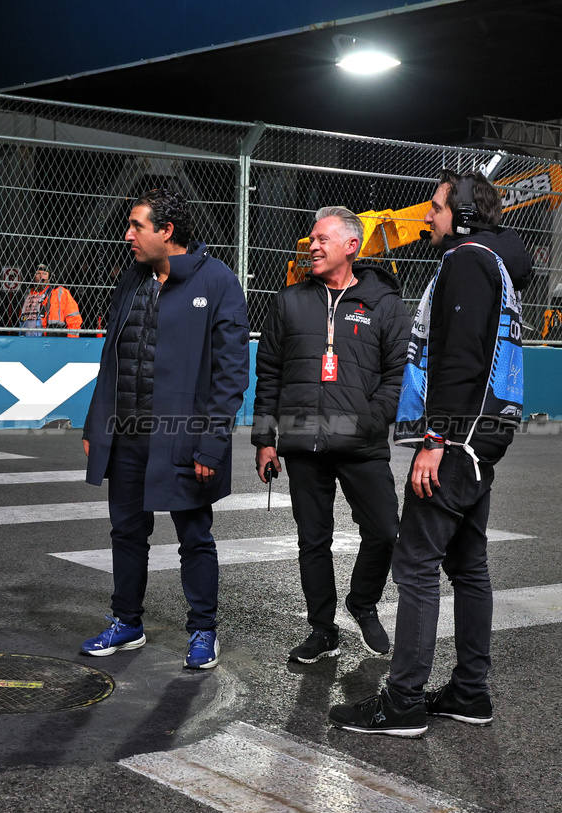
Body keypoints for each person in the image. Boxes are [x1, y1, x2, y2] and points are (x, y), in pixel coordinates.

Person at [329, 170, 530, 736]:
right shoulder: (495, 262)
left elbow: (458, 357)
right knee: (468, 566)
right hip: (484, 435)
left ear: (463, 213)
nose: (430, 217)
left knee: (414, 563)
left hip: (458, 439)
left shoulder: (466, 260)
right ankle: (469, 693)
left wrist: (435, 442)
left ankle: (403, 702)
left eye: (438, 208)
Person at [80, 188, 250, 670]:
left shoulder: (217, 281)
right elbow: (112, 358)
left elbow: (232, 374)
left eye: (137, 226)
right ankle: (126, 622)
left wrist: (211, 445)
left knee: (194, 537)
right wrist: (98, 423)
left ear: (166, 231)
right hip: (126, 437)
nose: (128, 235)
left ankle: (203, 630)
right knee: (126, 533)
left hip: (183, 440)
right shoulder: (131, 279)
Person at [252, 206, 410, 664]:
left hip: (361, 442)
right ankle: (322, 630)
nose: (312, 246)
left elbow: (397, 373)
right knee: (313, 541)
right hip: (303, 443)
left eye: (322, 239)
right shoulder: (288, 301)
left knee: (384, 531)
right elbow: (269, 375)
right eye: (311, 239)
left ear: (351, 246)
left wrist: (369, 421)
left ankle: (362, 604)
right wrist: (265, 439)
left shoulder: (384, 303)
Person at [18, 263, 82, 337]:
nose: (41, 277)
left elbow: (74, 320)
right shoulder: (28, 294)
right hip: (29, 338)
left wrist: (70, 342)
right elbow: (22, 317)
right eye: (38, 273)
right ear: (33, 276)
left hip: (55, 340)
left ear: (49, 277)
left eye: (44, 274)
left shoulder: (60, 292)